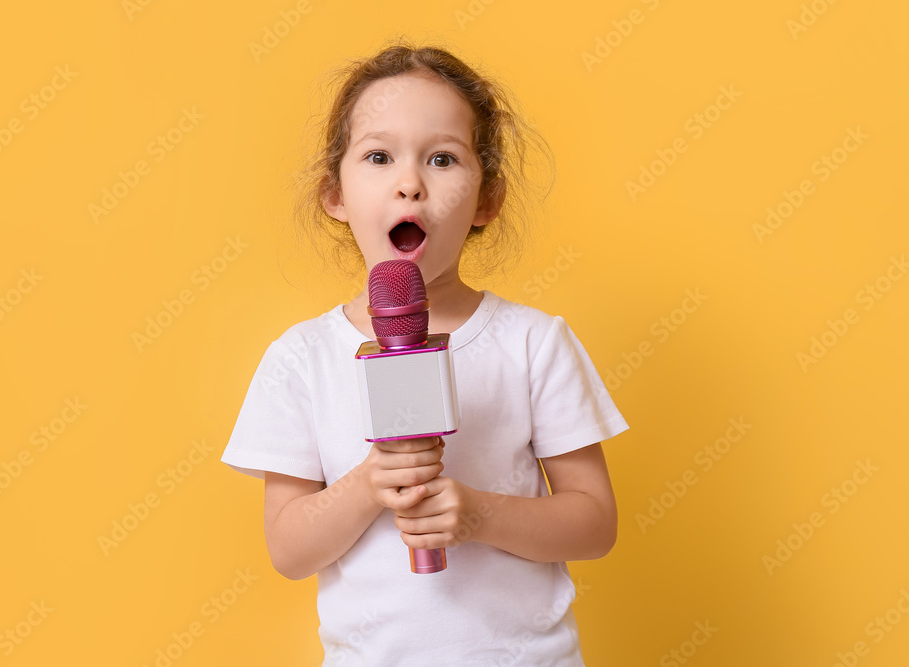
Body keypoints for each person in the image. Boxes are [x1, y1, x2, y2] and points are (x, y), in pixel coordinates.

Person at [221, 38, 630, 666]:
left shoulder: (532, 342)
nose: (409, 184)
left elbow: (594, 524)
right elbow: (289, 550)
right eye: (379, 156)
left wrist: (480, 515)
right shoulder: (300, 359)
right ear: (334, 194)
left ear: (487, 199)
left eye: (442, 159)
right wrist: (367, 485)